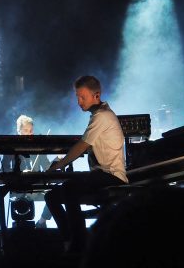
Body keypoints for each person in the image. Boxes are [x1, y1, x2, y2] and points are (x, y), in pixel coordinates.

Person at [44, 75, 128, 251]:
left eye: (82, 97)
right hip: (100, 176)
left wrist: (59, 165)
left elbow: (82, 145)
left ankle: (79, 243)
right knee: (51, 196)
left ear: (96, 95)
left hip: (111, 176)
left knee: (69, 189)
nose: (79, 101)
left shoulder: (103, 116)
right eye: (77, 97)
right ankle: (70, 239)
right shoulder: (98, 115)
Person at [1, 114, 53, 228]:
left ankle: (42, 221)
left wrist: (57, 161)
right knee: (20, 205)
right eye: (25, 130)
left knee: (54, 196)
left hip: (37, 187)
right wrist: (18, 174)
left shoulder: (38, 146)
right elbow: (4, 167)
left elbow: (48, 167)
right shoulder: (12, 146)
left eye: (31, 131)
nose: (29, 134)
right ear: (18, 131)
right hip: (19, 188)